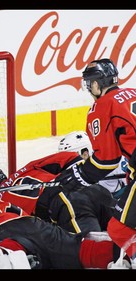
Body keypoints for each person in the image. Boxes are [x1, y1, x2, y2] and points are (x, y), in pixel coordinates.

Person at [53, 58, 136, 263]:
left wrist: (79, 175)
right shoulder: (133, 92)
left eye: (90, 83)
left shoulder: (101, 106)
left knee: (119, 230)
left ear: (97, 84)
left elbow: (107, 161)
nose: (90, 88)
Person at [0, 194, 120, 269]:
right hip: (37, 225)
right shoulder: (0, 201)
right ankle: (126, 251)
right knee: (83, 251)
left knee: (6, 255)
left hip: (8, 235)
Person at [0, 132, 116, 234]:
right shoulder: (26, 169)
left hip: (66, 204)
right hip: (94, 190)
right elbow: (70, 157)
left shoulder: (0, 204)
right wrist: (76, 178)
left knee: (91, 252)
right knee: (124, 234)